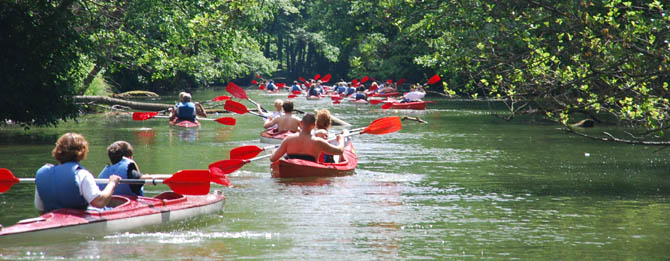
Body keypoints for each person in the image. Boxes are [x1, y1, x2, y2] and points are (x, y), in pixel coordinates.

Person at [35, 133, 121, 214]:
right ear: (82, 152)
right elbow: (99, 202)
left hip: (51, 219)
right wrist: (112, 183)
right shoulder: (82, 174)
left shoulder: (42, 174)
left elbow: (41, 210)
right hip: (77, 219)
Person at [270, 113, 347, 163]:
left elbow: (273, 158)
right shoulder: (319, 142)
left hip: (291, 173)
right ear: (314, 126)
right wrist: (341, 139)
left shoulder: (288, 139)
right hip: (310, 173)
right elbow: (339, 151)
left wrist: (274, 150)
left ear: (301, 123)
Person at [98, 141, 164, 196]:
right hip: (127, 209)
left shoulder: (102, 175)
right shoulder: (130, 173)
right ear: (129, 158)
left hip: (107, 207)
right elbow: (150, 179)